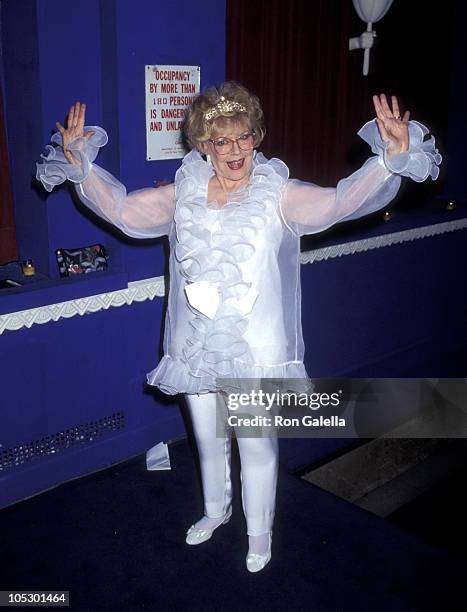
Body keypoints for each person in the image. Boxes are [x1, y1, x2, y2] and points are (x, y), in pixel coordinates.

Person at [36, 81, 441, 572]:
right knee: (207, 440)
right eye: (220, 140)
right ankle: (214, 511)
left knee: (255, 444)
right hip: (195, 343)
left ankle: (259, 532)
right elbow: (123, 212)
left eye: (243, 137)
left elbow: (338, 203)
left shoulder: (278, 193)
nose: (234, 150)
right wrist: (82, 165)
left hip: (255, 345)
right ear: (204, 145)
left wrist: (386, 160)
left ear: (257, 136)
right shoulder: (182, 192)